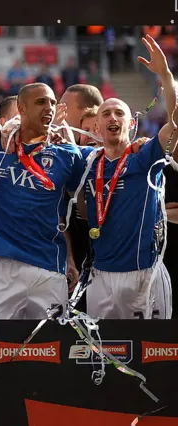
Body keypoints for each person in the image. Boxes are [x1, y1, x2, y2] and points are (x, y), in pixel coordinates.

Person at [81, 34, 174, 319]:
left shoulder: (145, 156)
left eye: (119, 113)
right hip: (100, 277)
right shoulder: (84, 163)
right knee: (100, 359)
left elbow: (176, 120)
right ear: (96, 126)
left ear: (131, 123)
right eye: (105, 113)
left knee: (154, 358)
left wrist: (166, 76)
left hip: (144, 277)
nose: (112, 118)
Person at [0, 82, 86, 319]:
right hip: (1, 265)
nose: (49, 108)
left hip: (49, 268)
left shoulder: (66, 154)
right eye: (40, 102)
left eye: (52, 102)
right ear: (21, 109)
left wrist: (70, 258)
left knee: (54, 349)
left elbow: (80, 208)